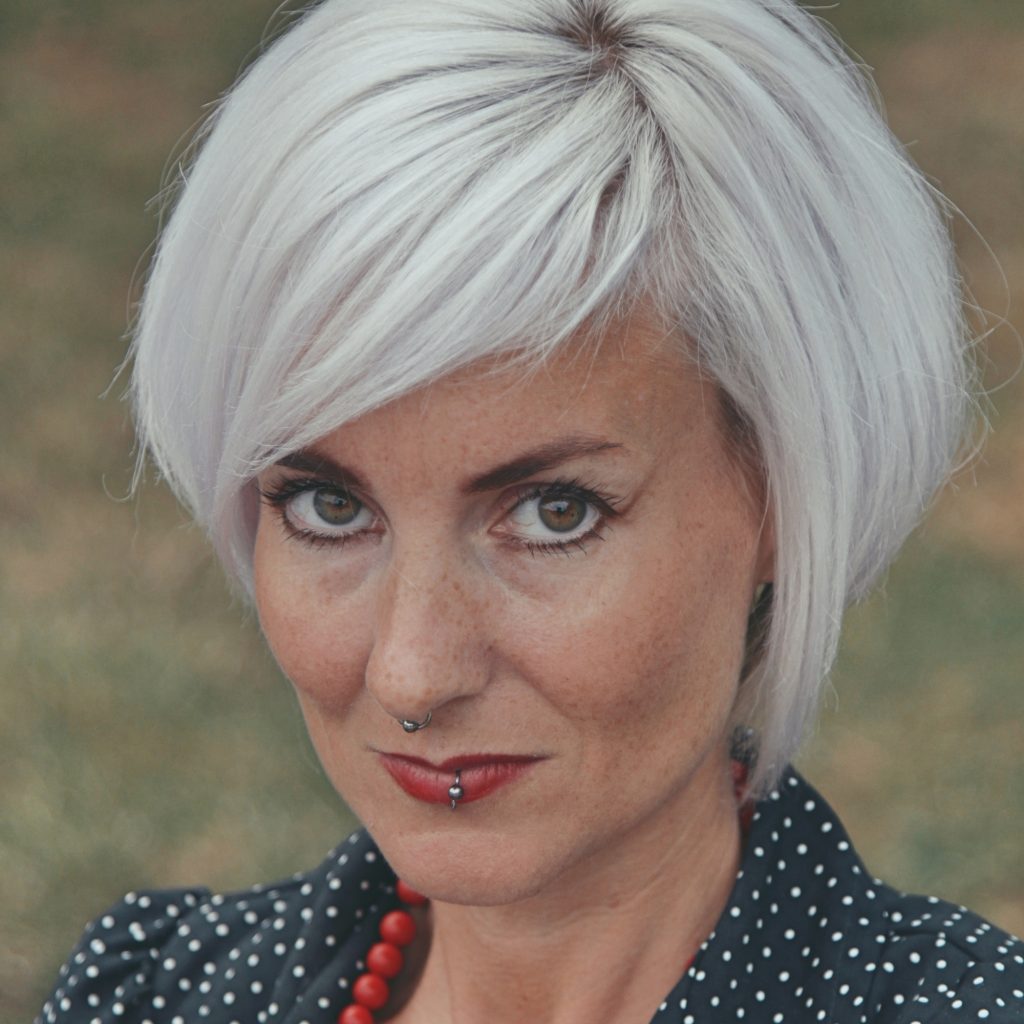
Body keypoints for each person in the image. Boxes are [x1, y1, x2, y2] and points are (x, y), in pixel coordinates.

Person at [37, 1, 1023, 1022]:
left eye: (554, 513)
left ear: (783, 495)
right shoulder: (151, 996)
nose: (413, 671)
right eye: (329, 506)